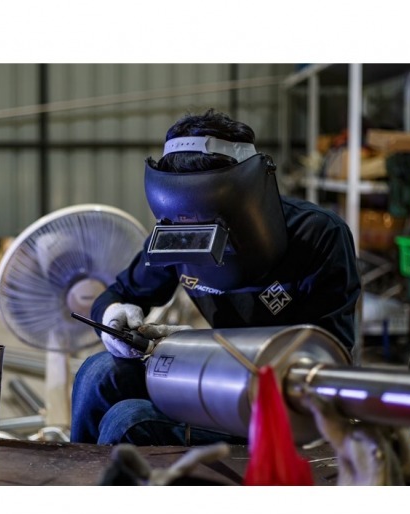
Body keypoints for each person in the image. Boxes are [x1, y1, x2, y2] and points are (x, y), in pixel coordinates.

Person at [70, 108, 361, 446]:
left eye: (202, 213)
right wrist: (113, 315)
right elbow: (119, 293)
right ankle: (76, 472)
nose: (191, 228)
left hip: (280, 397)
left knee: (128, 421)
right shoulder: (178, 233)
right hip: (215, 375)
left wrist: (202, 347)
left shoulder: (318, 234)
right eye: (184, 216)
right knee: (97, 373)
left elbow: (328, 353)